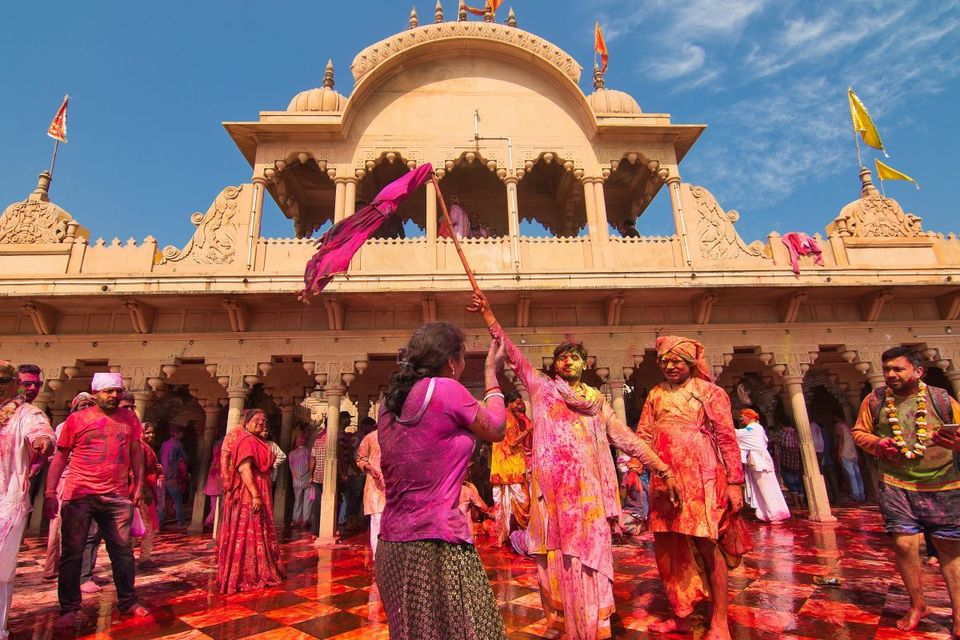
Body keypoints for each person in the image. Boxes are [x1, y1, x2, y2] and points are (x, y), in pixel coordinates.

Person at [471, 292, 678, 640]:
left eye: (575, 358)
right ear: (554, 366)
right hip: (552, 498)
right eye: (562, 358)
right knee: (558, 562)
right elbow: (516, 357)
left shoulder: (597, 404)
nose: (568, 362)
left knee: (592, 561)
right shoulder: (542, 390)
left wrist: (663, 469)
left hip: (589, 498)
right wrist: (489, 315)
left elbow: (627, 440)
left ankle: (593, 627)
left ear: (586, 364)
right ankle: (569, 624)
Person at [376, 321, 509, 640]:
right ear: (452, 361)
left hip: (392, 547)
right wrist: (491, 375)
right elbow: (497, 428)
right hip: (436, 545)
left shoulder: (388, 402)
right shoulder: (445, 390)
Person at [638, 336, 745, 640]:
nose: (670, 366)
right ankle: (682, 615)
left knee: (708, 546)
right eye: (665, 361)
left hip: (704, 479)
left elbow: (727, 438)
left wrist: (735, 483)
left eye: (677, 361)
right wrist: (634, 470)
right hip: (663, 481)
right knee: (670, 550)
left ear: (690, 363)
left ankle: (720, 622)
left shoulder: (710, 393)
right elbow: (644, 434)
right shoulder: (656, 394)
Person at [852, 346, 960, 636]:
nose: (890, 374)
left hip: (944, 482)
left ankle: (959, 612)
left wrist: (955, 443)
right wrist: (876, 444)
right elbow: (859, 432)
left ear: (918, 371)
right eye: (887, 369)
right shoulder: (875, 400)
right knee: (903, 545)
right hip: (897, 482)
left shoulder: (939, 399)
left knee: (950, 548)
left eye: (898, 369)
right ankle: (917, 604)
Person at [44, 372, 148, 627]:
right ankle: (69, 608)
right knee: (73, 553)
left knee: (123, 552)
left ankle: (128, 600)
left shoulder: (129, 418)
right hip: (80, 493)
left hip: (116, 494)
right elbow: (60, 456)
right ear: (95, 393)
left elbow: (136, 450)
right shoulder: (76, 420)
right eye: (108, 391)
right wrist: (49, 492)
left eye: (118, 391)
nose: (114, 396)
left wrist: (139, 483)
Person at [0, 360, 54, 640]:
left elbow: (42, 432)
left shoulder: (26, 414)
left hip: (6, 502)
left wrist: (43, 441)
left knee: (0, 571)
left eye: (0, 383)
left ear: (12, 385)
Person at [216, 409, 284, 594]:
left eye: (263, 421)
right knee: (248, 528)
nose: (260, 423)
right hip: (249, 491)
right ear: (246, 421)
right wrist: (254, 494)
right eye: (256, 420)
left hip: (260, 486)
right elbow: (244, 468)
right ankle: (247, 574)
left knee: (259, 528)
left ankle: (259, 569)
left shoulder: (255, 440)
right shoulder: (245, 440)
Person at [42, 392, 97, 581]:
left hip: (88, 481)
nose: (87, 408)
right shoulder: (64, 426)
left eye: (90, 405)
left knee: (87, 528)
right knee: (58, 526)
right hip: (67, 480)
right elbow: (55, 456)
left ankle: (82, 571)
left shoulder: (95, 426)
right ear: (74, 408)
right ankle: (52, 568)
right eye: (83, 405)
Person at [489, 390, 533, 547]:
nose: (519, 406)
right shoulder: (509, 418)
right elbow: (513, 442)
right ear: (509, 403)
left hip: (501, 468)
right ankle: (528, 537)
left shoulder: (502, 416)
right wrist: (529, 430)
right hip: (512, 468)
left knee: (502, 506)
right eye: (517, 402)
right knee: (523, 503)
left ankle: (501, 538)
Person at [735, 409, 790, 524]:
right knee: (763, 488)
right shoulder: (757, 428)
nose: (741, 419)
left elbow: (738, 434)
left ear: (749, 417)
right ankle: (766, 514)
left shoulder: (753, 428)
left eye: (742, 416)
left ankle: (774, 515)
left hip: (760, 461)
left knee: (766, 488)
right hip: (760, 460)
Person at [355, 417, 384, 556]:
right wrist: (370, 468)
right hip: (375, 485)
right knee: (377, 519)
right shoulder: (370, 438)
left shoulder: (397, 437)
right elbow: (360, 458)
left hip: (393, 486)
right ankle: (377, 554)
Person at [135, 423, 161, 566]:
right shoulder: (140, 447)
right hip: (142, 490)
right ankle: (144, 558)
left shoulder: (146, 447)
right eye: (148, 432)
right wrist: (143, 490)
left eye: (152, 432)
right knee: (147, 526)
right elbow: (137, 470)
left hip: (146, 488)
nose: (151, 435)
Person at [159, 425, 188, 528]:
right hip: (172, 477)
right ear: (176, 433)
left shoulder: (164, 444)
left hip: (162, 476)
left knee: (162, 501)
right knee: (178, 500)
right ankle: (181, 523)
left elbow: (160, 457)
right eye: (181, 433)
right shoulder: (178, 445)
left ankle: (160, 524)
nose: (182, 435)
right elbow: (185, 458)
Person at [834, 413, 865, 502]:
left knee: (851, 474)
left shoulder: (839, 425)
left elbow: (841, 439)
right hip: (853, 452)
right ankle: (861, 493)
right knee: (857, 474)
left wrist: (839, 452)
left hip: (845, 452)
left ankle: (855, 494)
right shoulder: (849, 426)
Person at [773, 421, 803, 507]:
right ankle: (801, 502)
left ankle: (796, 503)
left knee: (790, 481)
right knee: (797, 481)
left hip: (786, 460)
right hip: (796, 460)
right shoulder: (795, 432)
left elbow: (770, 439)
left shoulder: (782, 433)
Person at [287, 432, 312, 527]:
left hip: (298, 479)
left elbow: (292, 468)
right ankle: (305, 519)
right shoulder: (308, 451)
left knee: (299, 500)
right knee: (306, 500)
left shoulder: (292, 453)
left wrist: (295, 477)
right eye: (300, 438)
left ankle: (298, 519)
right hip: (305, 478)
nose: (301, 440)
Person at [308, 421, 328, 536]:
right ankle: (327, 529)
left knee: (317, 504)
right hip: (329, 477)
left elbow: (312, 459)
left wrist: (310, 475)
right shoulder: (332, 439)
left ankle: (315, 531)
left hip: (317, 476)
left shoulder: (317, 439)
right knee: (331, 503)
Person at [203, 437, 223, 528]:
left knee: (214, 506)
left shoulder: (215, 462)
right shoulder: (219, 463)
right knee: (215, 508)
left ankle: (210, 522)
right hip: (216, 484)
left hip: (213, 482)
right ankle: (207, 522)